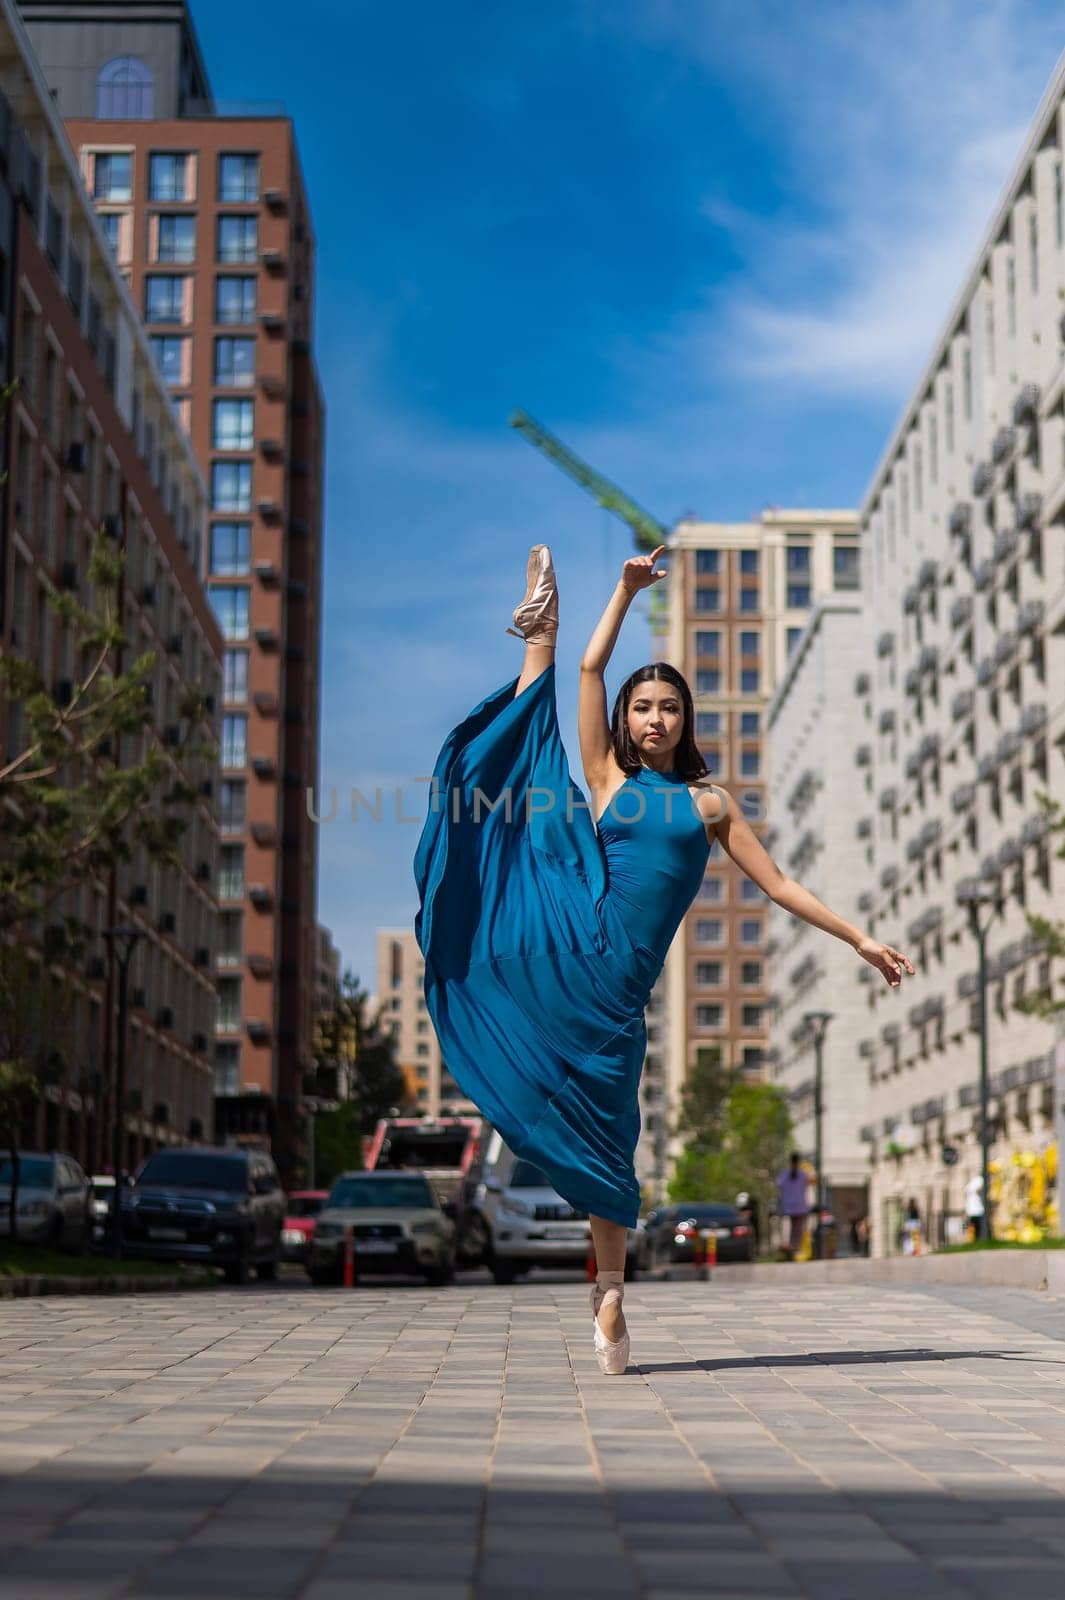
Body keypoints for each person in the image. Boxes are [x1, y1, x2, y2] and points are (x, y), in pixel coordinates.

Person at [413, 543, 915, 1374]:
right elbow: (589, 672)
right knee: (538, 724)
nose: (652, 718)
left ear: (685, 721)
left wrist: (858, 938)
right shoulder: (608, 778)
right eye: (641, 707)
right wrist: (621, 591)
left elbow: (780, 886)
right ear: (627, 719)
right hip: (576, 943)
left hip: (619, 999)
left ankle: (609, 1294)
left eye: (667, 708)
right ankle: (537, 622)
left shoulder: (711, 805)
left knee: (613, 1140)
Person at [777, 1153, 810, 1261]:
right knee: (796, 1231)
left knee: (790, 1230)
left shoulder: (784, 1174)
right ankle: (793, 1248)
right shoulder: (802, 1174)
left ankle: (790, 1249)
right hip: (799, 1207)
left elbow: (779, 1186)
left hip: (788, 1207)